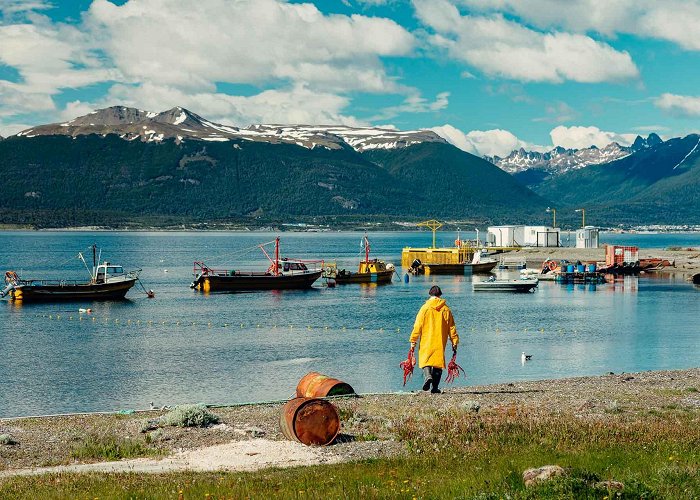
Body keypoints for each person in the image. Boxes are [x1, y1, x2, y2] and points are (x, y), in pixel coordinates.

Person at [409, 285, 459, 394]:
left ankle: (428, 376)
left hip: (426, 340)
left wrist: (413, 341)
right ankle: (435, 388)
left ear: (430, 295)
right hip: (440, 341)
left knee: (426, 360)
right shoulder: (446, 309)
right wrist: (454, 342)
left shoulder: (424, 308)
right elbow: (452, 327)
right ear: (440, 295)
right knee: (438, 364)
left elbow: (417, 326)